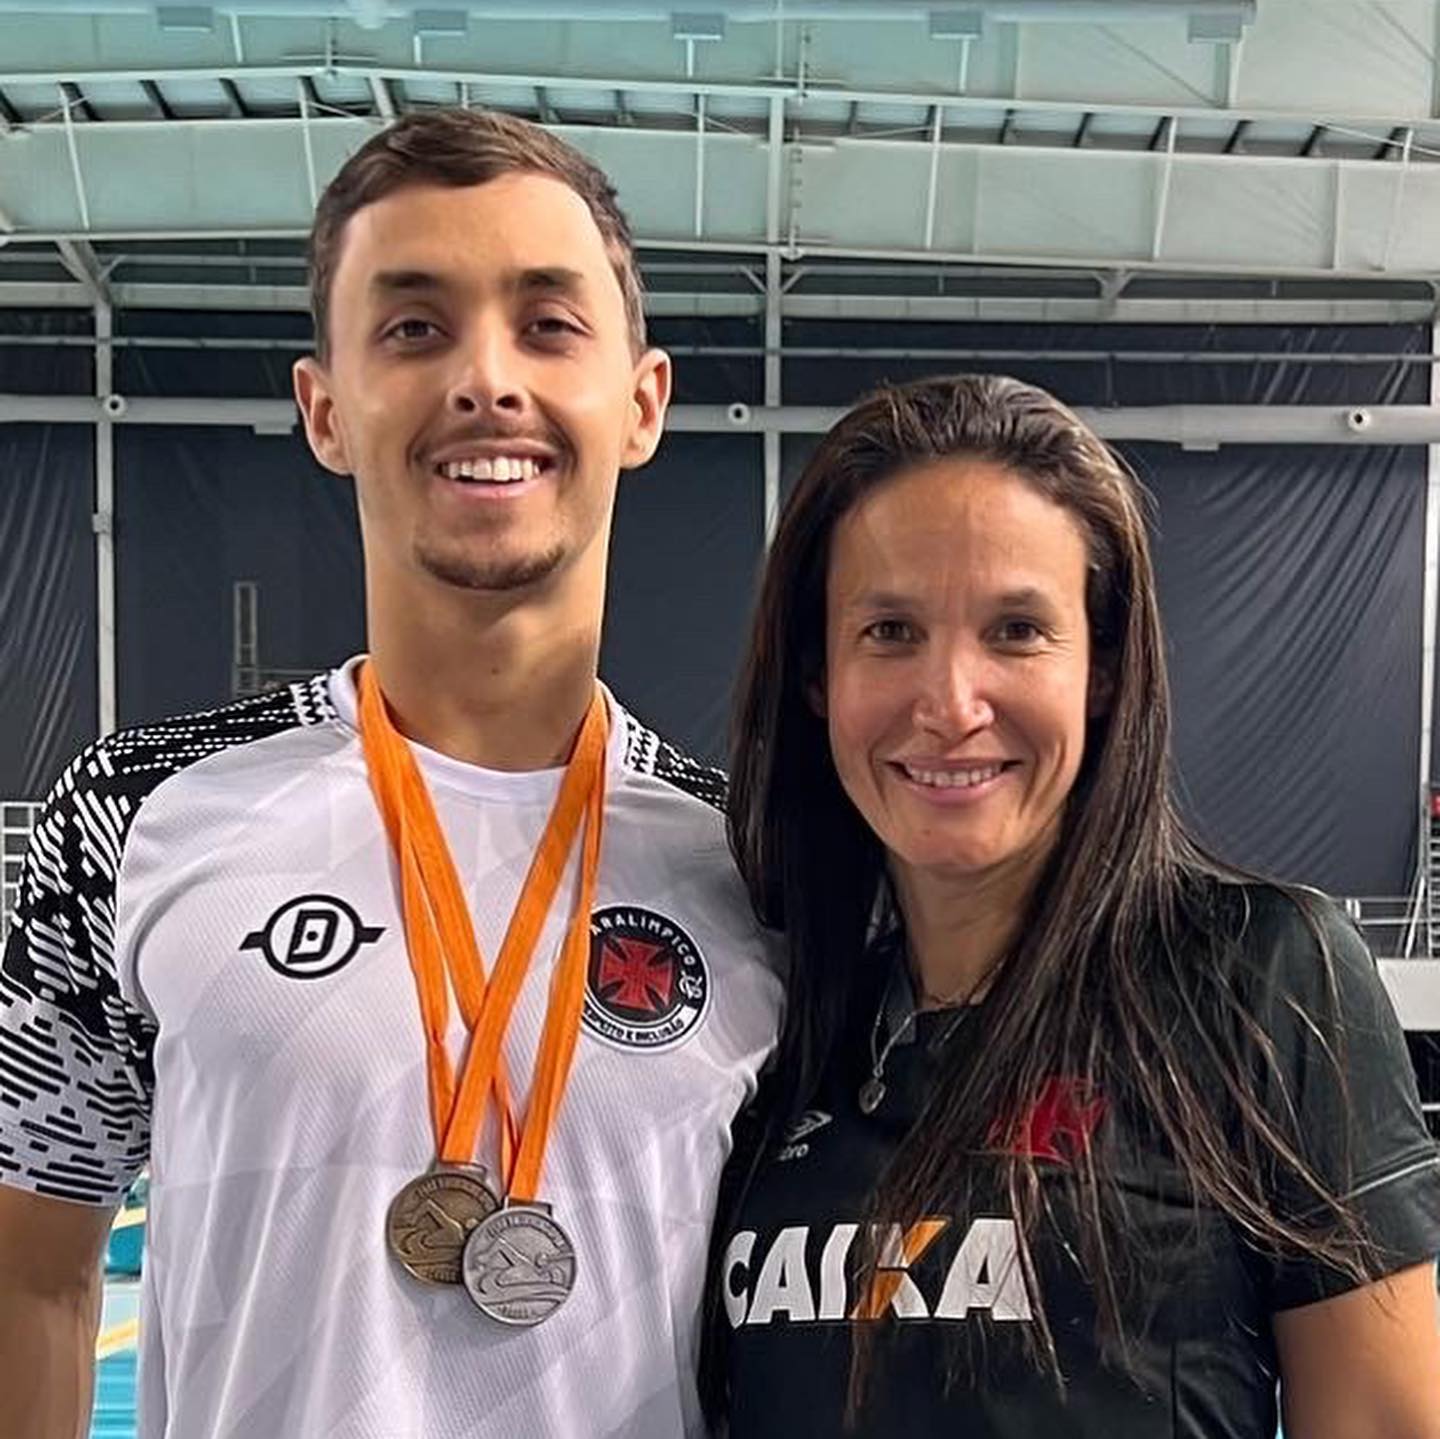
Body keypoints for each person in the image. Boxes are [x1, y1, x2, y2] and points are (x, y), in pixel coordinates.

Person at [0, 107, 781, 1439]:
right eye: (414, 328)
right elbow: (30, 1272)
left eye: (549, 324)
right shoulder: (132, 813)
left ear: (641, 402)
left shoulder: (761, 864)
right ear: (326, 408)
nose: (486, 378)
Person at [706, 373, 1440, 1437]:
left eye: (1015, 629)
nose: (949, 702)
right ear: (819, 675)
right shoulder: (781, 1017)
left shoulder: (1262, 975)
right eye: (891, 629)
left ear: (1100, 667)